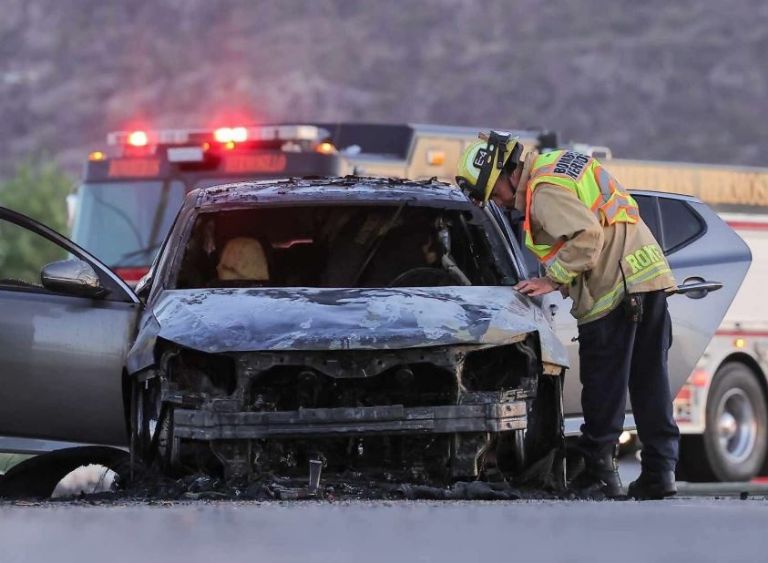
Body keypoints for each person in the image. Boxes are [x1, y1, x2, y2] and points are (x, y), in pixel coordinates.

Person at [456, 131, 680, 499]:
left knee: (602, 386)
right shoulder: (557, 166)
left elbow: (587, 235)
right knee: (649, 382)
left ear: (508, 174)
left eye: (495, 193)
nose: (502, 203)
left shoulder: (543, 191)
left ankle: (599, 475)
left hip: (614, 288)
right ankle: (660, 473)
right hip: (647, 278)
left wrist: (552, 279)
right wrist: (563, 281)